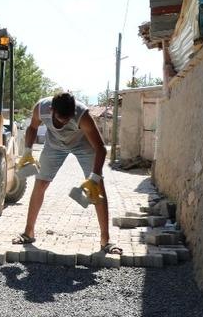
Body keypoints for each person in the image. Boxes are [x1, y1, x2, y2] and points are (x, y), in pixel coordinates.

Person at [12, 92, 122, 254]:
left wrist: (94, 177)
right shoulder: (40, 108)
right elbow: (33, 127)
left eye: (67, 119)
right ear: (51, 110)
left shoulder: (82, 115)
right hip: (54, 145)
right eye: (59, 119)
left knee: (97, 187)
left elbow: (100, 149)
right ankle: (28, 232)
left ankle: (106, 240)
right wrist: (27, 151)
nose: (63, 122)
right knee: (41, 182)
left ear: (73, 113)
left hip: (82, 144)